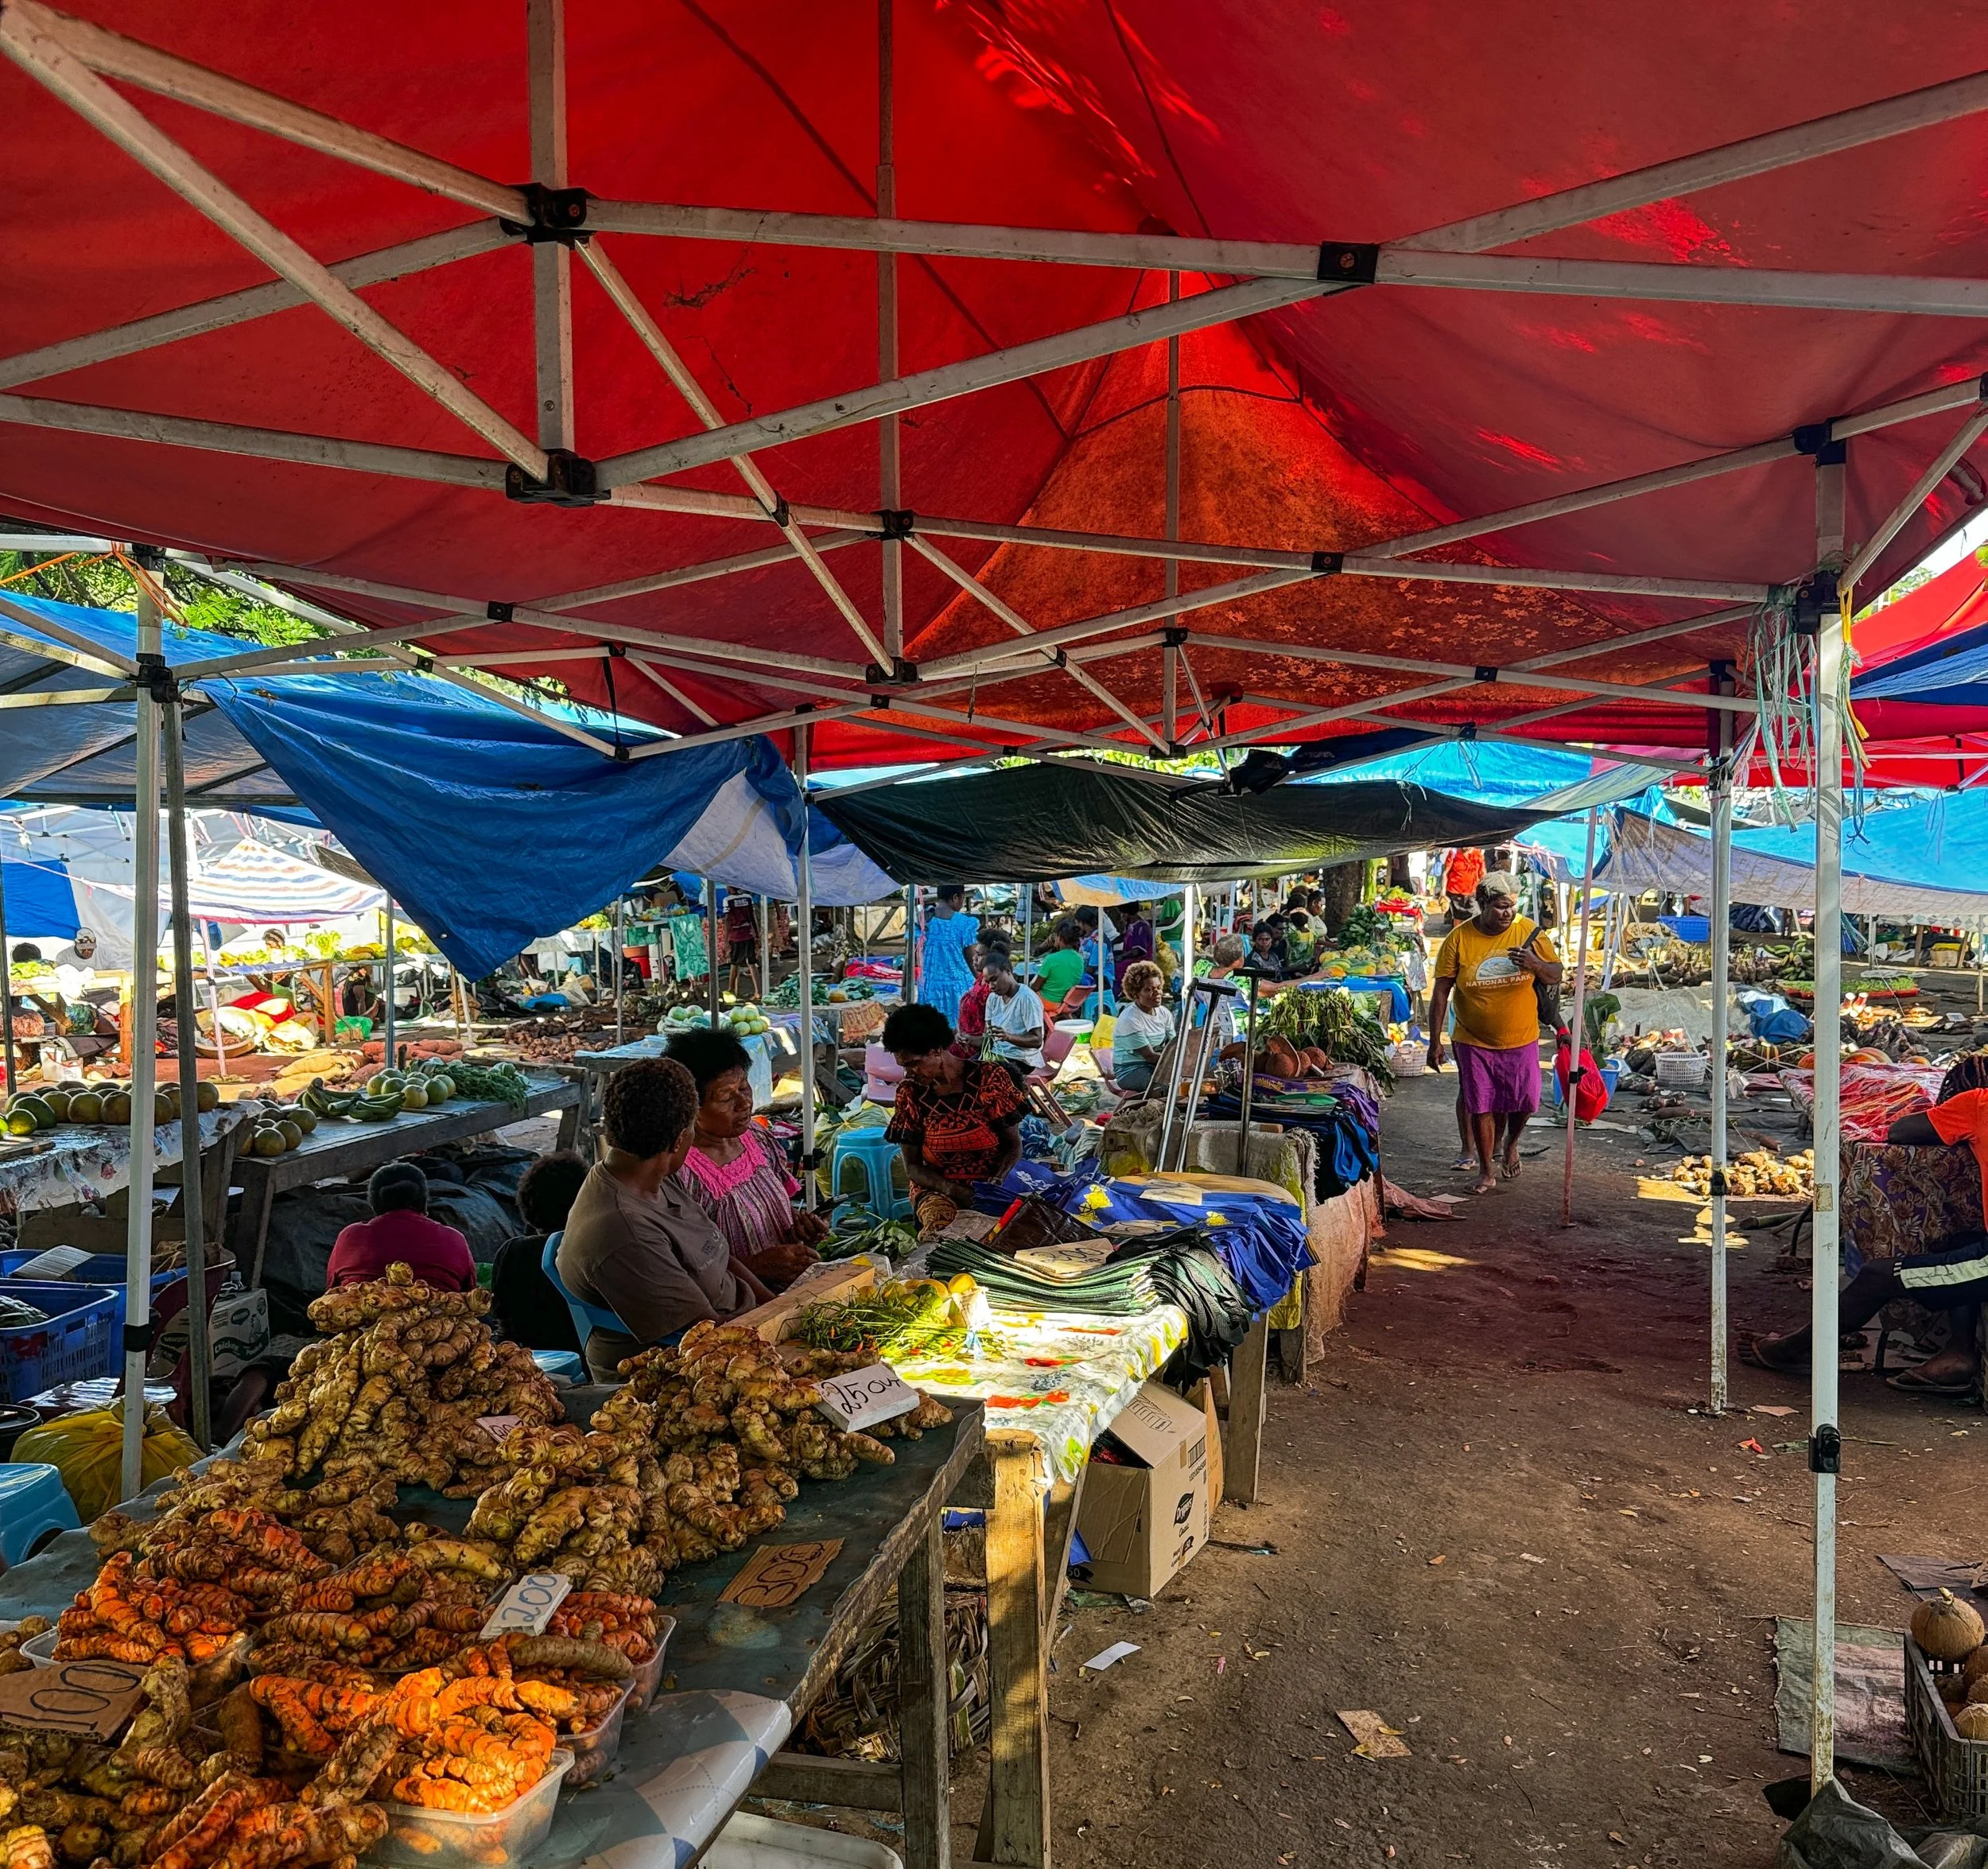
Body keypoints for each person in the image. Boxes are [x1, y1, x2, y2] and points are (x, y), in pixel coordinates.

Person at [1746, 1070, 1988, 1393]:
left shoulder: (1979, 1105)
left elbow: (1901, 1131)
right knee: (1961, 1239)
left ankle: (1793, 1350)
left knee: (1880, 1275)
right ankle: (1958, 1354)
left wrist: (1954, 1110)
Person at [557, 1058, 763, 1381]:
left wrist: (779, 1303)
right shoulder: (626, 1231)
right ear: (679, 1140)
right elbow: (708, 1340)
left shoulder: (649, 1173)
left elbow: (720, 1256)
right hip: (682, 1371)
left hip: (741, 1323)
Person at [1426, 872, 1561, 1195]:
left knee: (1526, 1100)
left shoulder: (1528, 931)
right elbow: (1441, 991)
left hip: (1523, 1036)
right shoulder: (1458, 940)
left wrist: (1534, 963)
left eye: (1512, 907)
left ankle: (1511, 1143)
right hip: (1472, 1039)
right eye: (1500, 907)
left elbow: (1556, 974)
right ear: (1483, 903)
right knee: (1481, 1102)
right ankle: (1486, 1170)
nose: (1507, 914)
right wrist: (1434, 1042)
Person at [665, 1026, 825, 1288]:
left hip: (793, 1287)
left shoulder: (756, 1137)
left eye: (744, 1087)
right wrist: (756, 1268)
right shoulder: (679, 1172)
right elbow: (684, 1269)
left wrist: (799, 1229)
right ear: (690, 1106)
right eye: (725, 1097)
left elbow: (772, 1210)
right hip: (740, 1304)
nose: (744, 1103)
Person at [883, 1001, 1026, 1230]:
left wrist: (998, 1180)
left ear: (937, 1051)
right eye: (903, 1066)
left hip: (992, 1186)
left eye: (914, 1064)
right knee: (942, 1229)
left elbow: (1013, 1146)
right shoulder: (910, 1094)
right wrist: (954, 1190)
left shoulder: (989, 1079)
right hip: (938, 1190)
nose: (908, 1073)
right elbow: (913, 1167)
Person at [488, 1150, 589, 1352]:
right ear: (584, 1203)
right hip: (585, 1360)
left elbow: (503, 1323)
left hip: (525, 1363)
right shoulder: (590, 1250)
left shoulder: (511, 1252)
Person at [327, 1162, 477, 1291]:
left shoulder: (349, 1236)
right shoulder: (453, 1239)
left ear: (374, 1206)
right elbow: (469, 1295)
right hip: (441, 1322)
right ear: (424, 1203)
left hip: (361, 1323)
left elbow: (332, 1291)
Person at [916, 884, 980, 1024]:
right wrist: (982, 981)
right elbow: (973, 960)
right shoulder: (964, 924)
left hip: (930, 987)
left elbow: (911, 957)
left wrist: (905, 986)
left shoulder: (923, 921)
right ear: (955, 897)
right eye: (962, 899)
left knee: (932, 1029)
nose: (962, 903)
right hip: (959, 988)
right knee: (959, 1030)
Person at [1112, 960, 1175, 1094]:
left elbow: (1174, 1045)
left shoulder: (1164, 1013)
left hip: (1156, 1065)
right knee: (1164, 1088)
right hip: (1131, 1069)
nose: (1157, 992)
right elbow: (1150, 1056)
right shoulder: (1130, 1019)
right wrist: (1178, 1063)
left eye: (1158, 987)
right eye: (1149, 989)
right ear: (1136, 994)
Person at [980, 948, 1046, 1074]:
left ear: (1008, 971)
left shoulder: (1027, 998)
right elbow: (987, 1038)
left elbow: (1037, 1041)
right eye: (988, 982)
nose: (991, 987)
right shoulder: (993, 998)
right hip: (998, 1055)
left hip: (1022, 1060)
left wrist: (1008, 1037)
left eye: (994, 979)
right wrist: (968, 1039)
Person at [1035, 919, 1089, 1017]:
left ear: (1060, 938)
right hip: (1070, 1003)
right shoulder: (1079, 959)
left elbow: (1036, 987)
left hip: (1049, 1002)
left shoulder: (1051, 959)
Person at [1202, 932, 1250, 1047]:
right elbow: (1273, 989)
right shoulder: (1240, 979)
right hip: (1240, 1031)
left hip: (1213, 1024)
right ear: (1237, 960)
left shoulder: (1203, 970)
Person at [1113, 902, 1155, 995]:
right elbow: (1124, 937)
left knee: (1115, 968)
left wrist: (1121, 956)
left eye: (1123, 913)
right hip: (1131, 958)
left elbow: (1138, 950)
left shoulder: (1142, 927)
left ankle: (1120, 993)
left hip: (1141, 961)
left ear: (1130, 914)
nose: (1122, 916)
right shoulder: (1130, 925)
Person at [1442, 848, 1486, 922]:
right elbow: (1446, 873)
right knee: (1458, 917)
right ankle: (1457, 932)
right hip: (1455, 892)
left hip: (1473, 892)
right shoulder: (1454, 852)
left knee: (1474, 917)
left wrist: (1483, 890)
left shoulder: (1478, 854)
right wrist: (1443, 892)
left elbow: (1482, 873)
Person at [1281, 911, 1318, 977]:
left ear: (1293, 922)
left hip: (1294, 967)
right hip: (1308, 965)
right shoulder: (1313, 933)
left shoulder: (1294, 936)